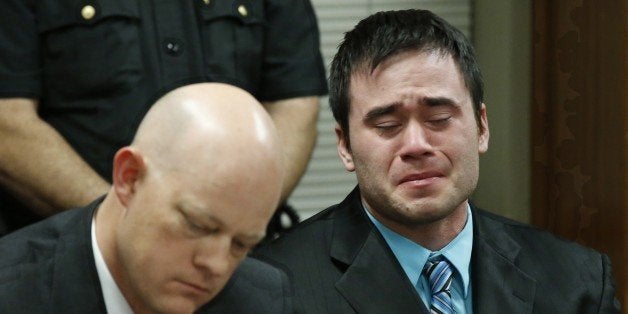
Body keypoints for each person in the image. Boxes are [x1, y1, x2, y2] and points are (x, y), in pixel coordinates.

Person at [255, 9, 621, 313]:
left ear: (481, 127)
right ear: (345, 145)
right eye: (387, 124)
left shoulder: (577, 282)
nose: (416, 145)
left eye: (439, 119)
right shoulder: (272, 291)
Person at [0, 0, 327, 236]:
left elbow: (293, 107)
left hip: (238, 264)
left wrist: (232, 226)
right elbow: (9, 123)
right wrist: (122, 225)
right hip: (66, 254)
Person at [0, 83, 292, 313]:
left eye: (242, 244)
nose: (215, 265)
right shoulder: (13, 295)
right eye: (198, 225)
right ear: (129, 178)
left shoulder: (260, 299)